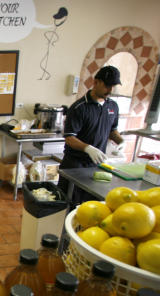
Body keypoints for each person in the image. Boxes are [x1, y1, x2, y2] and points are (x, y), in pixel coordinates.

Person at [57, 65, 125, 205]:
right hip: (75, 165)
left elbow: (112, 130)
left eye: (113, 86)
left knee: (91, 204)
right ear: (96, 82)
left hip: (96, 165)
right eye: (107, 85)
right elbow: (70, 138)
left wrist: (121, 141)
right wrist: (88, 148)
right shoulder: (79, 108)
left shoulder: (112, 106)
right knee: (68, 203)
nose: (110, 90)